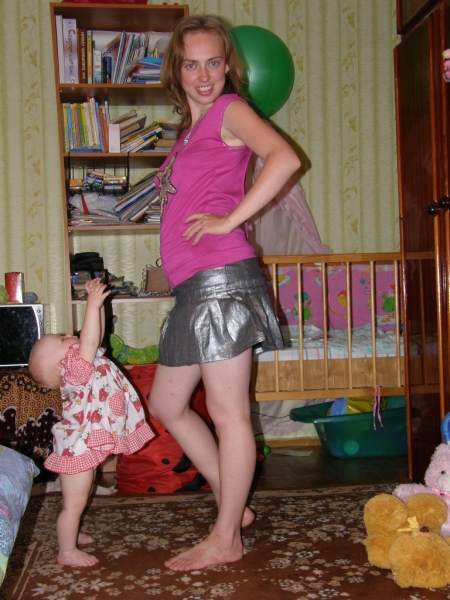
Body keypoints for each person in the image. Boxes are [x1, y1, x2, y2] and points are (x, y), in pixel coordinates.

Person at [148, 14, 301, 572]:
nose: (204, 75)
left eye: (214, 62)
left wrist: (229, 220)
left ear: (228, 66)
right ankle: (235, 506)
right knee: (166, 404)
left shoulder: (230, 110)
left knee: (227, 411)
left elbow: (285, 158)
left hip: (221, 279)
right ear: (177, 71)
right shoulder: (188, 132)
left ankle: (226, 537)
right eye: (192, 65)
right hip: (194, 285)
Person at [28, 278, 154, 567]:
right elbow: (88, 340)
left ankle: (71, 535)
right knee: (74, 504)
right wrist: (91, 304)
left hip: (81, 444)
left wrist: (99, 306)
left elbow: (96, 338)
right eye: (62, 339)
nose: (68, 335)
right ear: (62, 365)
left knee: (81, 495)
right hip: (77, 448)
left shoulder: (83, 364)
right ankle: (66, 551)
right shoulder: (74, 372)